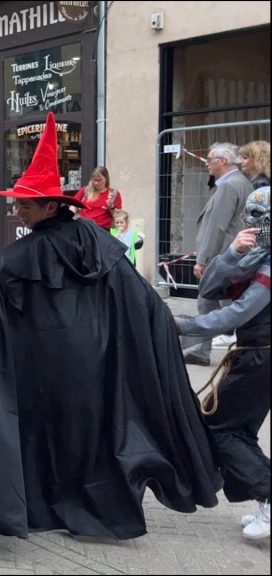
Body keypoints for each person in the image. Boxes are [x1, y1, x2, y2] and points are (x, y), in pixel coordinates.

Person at [0, 112, 222, 541]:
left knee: (52, 432)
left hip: (47, 363)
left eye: (25, 203)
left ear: (51, 205)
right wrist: (164, 324)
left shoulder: (23, 254)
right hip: (96, 356)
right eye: (17, 202)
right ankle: (100, 509)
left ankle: (54, 506)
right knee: (92, 431)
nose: (18, 209)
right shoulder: (91, 239)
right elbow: (138, 291)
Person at [174, 187, 270, 541]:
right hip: (255, 353)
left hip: (260, 355)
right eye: (252, 216)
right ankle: (264, 498)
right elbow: (209, 289)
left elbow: (239, 312)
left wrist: (183, 327)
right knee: (239, 430)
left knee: (221, 428)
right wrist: (231, 251)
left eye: (261, 218)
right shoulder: (255, 253)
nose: (253, 225)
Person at [185, 142, 254, 365]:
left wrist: (203, 260)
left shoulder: (228, 186)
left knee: (209, 301)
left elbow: (218, 226)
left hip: (224, 256)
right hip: (236, 254)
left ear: (222, 162)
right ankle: (206, 350)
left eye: (210, 159)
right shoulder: (242, 183)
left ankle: (201, 351)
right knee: (231, 304)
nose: (207, 163)